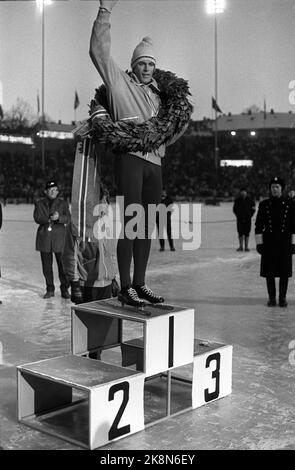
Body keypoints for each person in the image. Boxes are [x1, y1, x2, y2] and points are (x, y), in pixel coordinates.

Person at [89, 0, 191, 306]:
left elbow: (173, 129)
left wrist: (166, 139)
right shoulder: (120, 84)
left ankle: (140, 283)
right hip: (131, 159)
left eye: (151, 64)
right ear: (133, 65)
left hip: (155, 164)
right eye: (142, 63)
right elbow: (98, 51)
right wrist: (105, 12)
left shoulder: (161, 96)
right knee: (132, 222)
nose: (146, 68)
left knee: (148, 224)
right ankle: (125, 288)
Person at [255, 176, 295, 307]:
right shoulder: (264, 205)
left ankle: (282, 298)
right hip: (269, 243)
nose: (275, 189)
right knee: (269, 273)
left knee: (284, 273)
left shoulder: (290, 204)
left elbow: (294, 226)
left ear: (282, 189)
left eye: (277, 187)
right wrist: (259, 243)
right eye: (272, 187)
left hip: (284, 243)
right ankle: (272, 298)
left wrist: (293, 244)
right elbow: (258, 226)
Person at [33, 180, 70, 299]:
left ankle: (65, 289)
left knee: (62, 266)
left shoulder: (63, 203)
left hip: (59, 238)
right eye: (51, 190)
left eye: (56, 190)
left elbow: (68, 218)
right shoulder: (39, 203)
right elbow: (37, 218)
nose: (54, 192)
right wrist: (49, 218)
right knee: (47, 266)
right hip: (45, 238)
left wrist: (59, 218)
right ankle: (50, 289)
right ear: (46, 191)